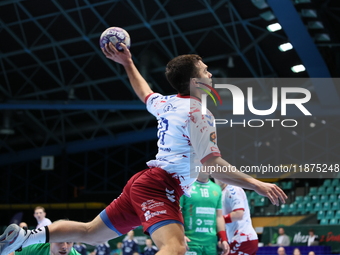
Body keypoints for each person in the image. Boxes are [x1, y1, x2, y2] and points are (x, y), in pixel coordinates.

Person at [0, 42, 287, 255]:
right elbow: (213, 165)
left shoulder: (168, 103)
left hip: (146, 182)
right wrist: (257, 184)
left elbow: (145, 92)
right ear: (195, 81)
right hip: (159, 185)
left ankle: (24, 240)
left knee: (91, 233)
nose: (211, 74)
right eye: (205, 70)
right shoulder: (199, 113)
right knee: (174, 248)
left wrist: (127, 63)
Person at [180, 172, 228, 255]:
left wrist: (223, 239)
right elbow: (177, 212)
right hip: (190, 242)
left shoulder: (216, 189)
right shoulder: (185, 186)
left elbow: (219, 216)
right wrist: (180, 235)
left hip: (211, 244)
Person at [216, 181, 258, 255]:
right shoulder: (220, 193)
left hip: (243, 238)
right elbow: (229, 223)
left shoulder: (233, 189)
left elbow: (238, 214)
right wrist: (224, 239)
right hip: (236, 239)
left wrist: (217, 220)